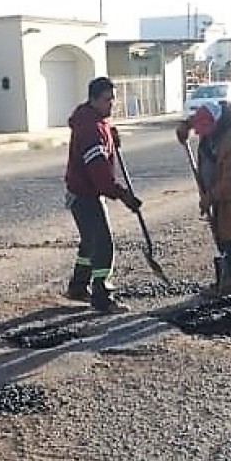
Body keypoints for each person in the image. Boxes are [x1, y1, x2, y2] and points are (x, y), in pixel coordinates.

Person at [64, 77, 142, 312]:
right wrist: (123, 195)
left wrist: (109, 134)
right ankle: (102, 296)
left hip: (80, 192)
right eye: (107, 100)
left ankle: (78, 287)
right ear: (93, 99)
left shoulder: (94, 121)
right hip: (85, 195)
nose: (111, 105)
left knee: (90, 242)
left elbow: (101, 149)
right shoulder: (90, 130)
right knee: (103, 244)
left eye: (113, 100)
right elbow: (100, 175)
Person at [176, 100, 231, 294]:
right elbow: (200, 118)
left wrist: (210, 197)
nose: (200, 134)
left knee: (230, 232)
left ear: (216, 125)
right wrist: (186, 126)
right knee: (220, 230)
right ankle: (226, 276)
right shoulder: (217, 118)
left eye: (204, 129)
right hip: (218, 189)